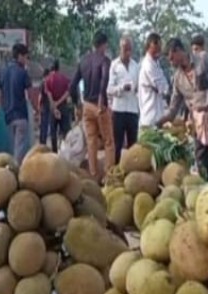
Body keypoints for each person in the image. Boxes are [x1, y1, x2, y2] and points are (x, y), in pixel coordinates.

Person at [157, 38, 208, 183]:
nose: (170, 61)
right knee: (201, 159)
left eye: (171, 57)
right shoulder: (177, 78)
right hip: (199, 122)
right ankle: (207, 189)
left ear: (179, 51)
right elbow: (173, 108)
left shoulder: (202, 59)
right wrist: (160, 122)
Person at [70, 31, 114, 183]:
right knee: (108, 141)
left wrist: (77, 104)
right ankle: (108, 176)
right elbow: (104, 78)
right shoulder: (105, 61)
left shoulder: (83, 61)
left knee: (91, 142)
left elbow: (72, 85)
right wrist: (102, 99)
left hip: (87, 106)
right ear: (104, 44)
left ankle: (94, 176)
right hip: (100, 105)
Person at [0, 43, 38, 164]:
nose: (26, 60)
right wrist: (37, 110)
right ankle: (16, 174)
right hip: (20, 115)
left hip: (8, 117)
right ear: (20, 56)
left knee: (14, 147)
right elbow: (31, 95)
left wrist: (4, 109)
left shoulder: (3, 72)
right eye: (26, 57)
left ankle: (11, 172)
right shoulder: (23, 73)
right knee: (20, 149)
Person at [107, 36, 140, 164]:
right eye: (125, 49)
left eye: (129, 50)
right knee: (118, 145)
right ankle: (116, 171)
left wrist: (135, 89)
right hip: (119, 110)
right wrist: (121, 88)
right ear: (120, 48)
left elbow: (138, 87)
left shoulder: (136, 66)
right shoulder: (114, 65)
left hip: (132, 110)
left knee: (133, 145)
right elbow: (109, 89)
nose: (127, 53)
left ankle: (132, 173)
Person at [138, 33, 170, 129]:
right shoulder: (148, 65)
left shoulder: (156, 63)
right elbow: (163, 87)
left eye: (159, 47)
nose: (158, 51)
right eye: (155, 47)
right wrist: (165, 90)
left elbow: (164, 85)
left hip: (157, 116)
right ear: (148, 47)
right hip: (150, 117)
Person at [45, 59, 72, 152]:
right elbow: (68, 93)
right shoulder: (64, 78)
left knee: (53, 133)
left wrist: (54, 106)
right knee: (66, 132)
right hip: (63, 107)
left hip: (53, 109)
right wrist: (59, 102)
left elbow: (49, 95)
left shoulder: (48, 79)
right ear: (58, 67)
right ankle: (67, 152)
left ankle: (54, 153)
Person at [38, 68, 51, 150]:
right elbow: (46, 95)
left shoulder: (41, 83)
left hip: (43, 106)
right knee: (45, 127)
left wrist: (39, 106)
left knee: (43, 126)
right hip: (46, 107)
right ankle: (43, 145)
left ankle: (42, 144)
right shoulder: (45, 83)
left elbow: (40, 96)